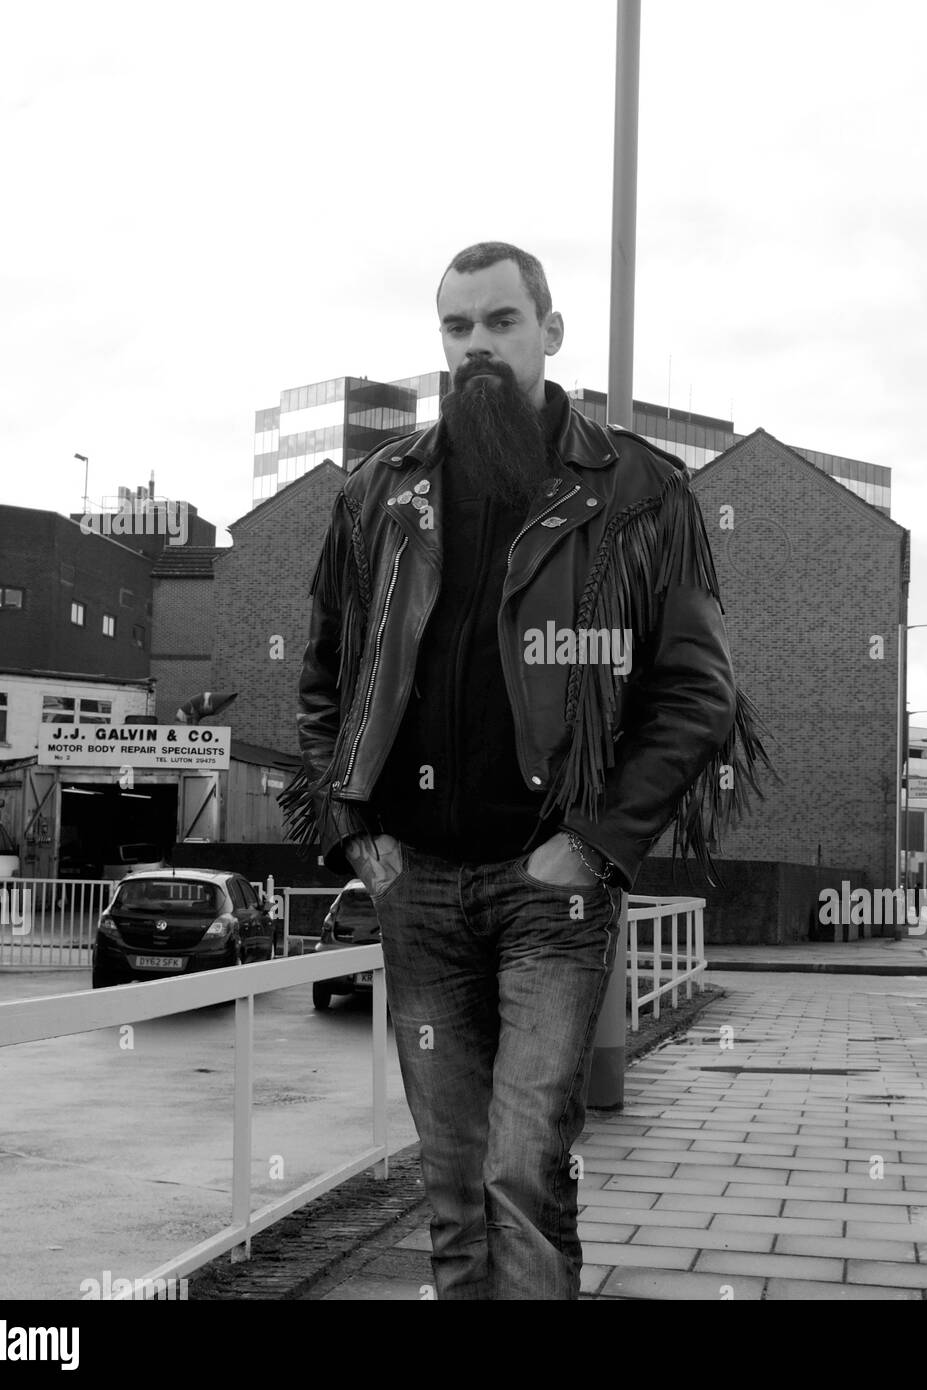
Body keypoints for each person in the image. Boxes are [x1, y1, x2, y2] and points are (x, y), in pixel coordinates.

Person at [282, 242, 768, 1300]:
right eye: (456, 328)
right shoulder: (378, 492)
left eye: (500, 322)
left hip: (550, 891)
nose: (477, 348)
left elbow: (696, 693)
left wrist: (593, 844)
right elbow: (325, 678)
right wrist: (357, 838)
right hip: (415, 884)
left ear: (550, 332)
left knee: (521, 1170)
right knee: (451, 1181)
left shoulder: (636, 490)